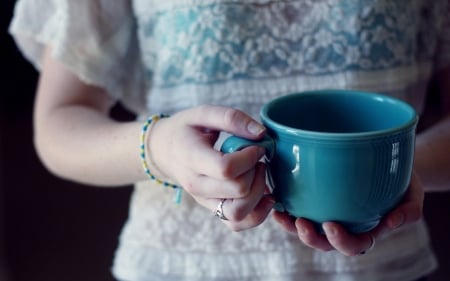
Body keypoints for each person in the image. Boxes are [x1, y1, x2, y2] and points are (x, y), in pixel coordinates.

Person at [9, 0, 450, 280]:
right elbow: (59, 123)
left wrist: (399, 168)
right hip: (179, 270)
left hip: (385, 270)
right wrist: (160, 149)